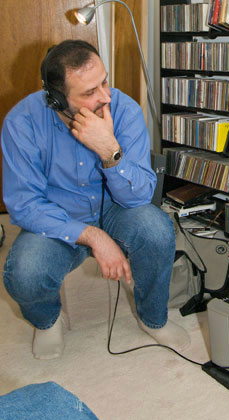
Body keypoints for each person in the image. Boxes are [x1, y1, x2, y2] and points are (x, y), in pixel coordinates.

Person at [2, 39, 189, 359]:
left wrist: (110, 153)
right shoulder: (22, 123)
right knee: (24, 273)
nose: (105, 96)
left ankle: (153, 318)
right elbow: (24, 205)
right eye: (89, 92)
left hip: (116, 209)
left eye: (104, 82)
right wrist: (93, 236)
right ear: (56, 99)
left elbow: (142, 195)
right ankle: (46, 320)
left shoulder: (125, 109)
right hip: (59, 218)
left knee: (157, 229)